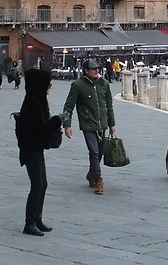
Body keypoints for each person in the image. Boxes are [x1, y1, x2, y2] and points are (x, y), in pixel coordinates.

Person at [14, 68, 59, 236]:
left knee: (43, 184)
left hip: (35, 148)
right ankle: (29, 223)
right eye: (48, 84)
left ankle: (37, 218)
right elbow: (40, 129)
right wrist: (57, 120)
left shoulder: (36, 100)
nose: (50, 86)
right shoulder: (33, 104)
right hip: (30, 148)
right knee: (37, 185)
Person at [62, 62, 117, 195]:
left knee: (100, 152)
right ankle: (99, 180)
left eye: (97, 68)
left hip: (102, 124)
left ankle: (91, 174)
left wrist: (112, 124)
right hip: (87, 124)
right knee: (94, 151)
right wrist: (67, 125)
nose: (96, 70)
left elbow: (109, 105)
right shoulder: (77, 85)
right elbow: (68, 106)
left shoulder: (104, 84)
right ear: (86, 70)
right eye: (93, 69)